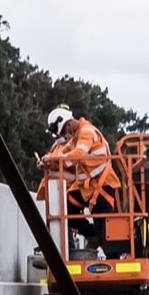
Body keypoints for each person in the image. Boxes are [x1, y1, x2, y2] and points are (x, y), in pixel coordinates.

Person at [37, 105, 123, 256]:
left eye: (64, 131)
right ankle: (93, 235)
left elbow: (78, 154)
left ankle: (112, 257)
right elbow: (64, 151)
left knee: (106, 232)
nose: (64, 135)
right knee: (66, 209)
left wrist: (57, 159)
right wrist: (50, 160)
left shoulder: (86, 132)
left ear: (69, 124)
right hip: (86, 189)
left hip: (102, 188)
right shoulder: (76, 136)